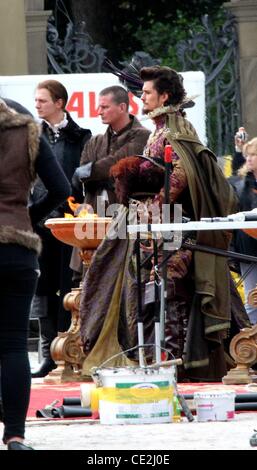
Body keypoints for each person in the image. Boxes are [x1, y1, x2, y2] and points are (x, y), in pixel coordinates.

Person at [79, 66, 249, 381]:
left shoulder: (175, 129)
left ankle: (177, 364)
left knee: (167, 288)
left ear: (164, 96)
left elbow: (181, 174)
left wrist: (153, 209)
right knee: (143, 289)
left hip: (175, 229)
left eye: (146, 92)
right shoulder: (159, 128)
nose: (140, 97)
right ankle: (154, 358)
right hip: (155, 229)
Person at [0, 98, 71, 450]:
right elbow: (61, 188)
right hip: (17, 247)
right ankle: (14, 434)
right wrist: (28, 215)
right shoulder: (28, 130)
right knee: (13, 345)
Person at [30, 80, 91, 378]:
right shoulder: (32, 135)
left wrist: (71, 208)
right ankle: (48, 354)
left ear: (59, 103)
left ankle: (71, 347)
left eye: (42, 100)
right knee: (43, 288)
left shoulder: (81, 136)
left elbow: (81, 178)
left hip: (71, 222)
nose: (37, 105)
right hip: (39, 222)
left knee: (69, 285)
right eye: (36, 100)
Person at [70, 85, 150, 274]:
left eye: (105, 107)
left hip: (126, 222)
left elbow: (118, 163)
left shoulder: (143, 136)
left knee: (123, 281)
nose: (99, 112)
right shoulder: (94, 142)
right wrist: (102, 175)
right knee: (85, 287)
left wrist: (95, 172)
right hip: (93, 223)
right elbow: (83, 178)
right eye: (99, 107)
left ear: (122, 107)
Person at [231, 138, 257, 325]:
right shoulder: (240, 186)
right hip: (248, 250)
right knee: (252, 300)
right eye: (247, 155)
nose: (249, 158)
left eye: (253, 154)